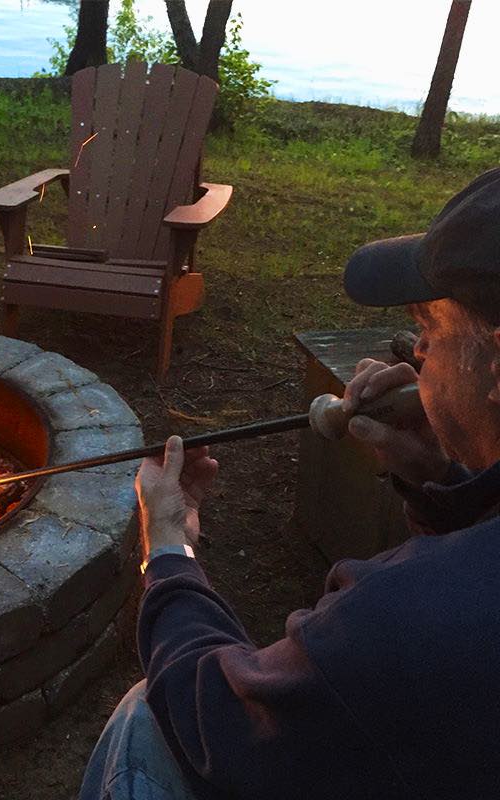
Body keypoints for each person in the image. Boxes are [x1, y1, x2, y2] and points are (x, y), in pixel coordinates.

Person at [79, 167, 500, 800]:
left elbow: (217, 716)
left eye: (430, 331)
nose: (415, 352)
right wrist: (442, 482)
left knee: (144, 717)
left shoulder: (399, 622)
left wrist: (168, 547)